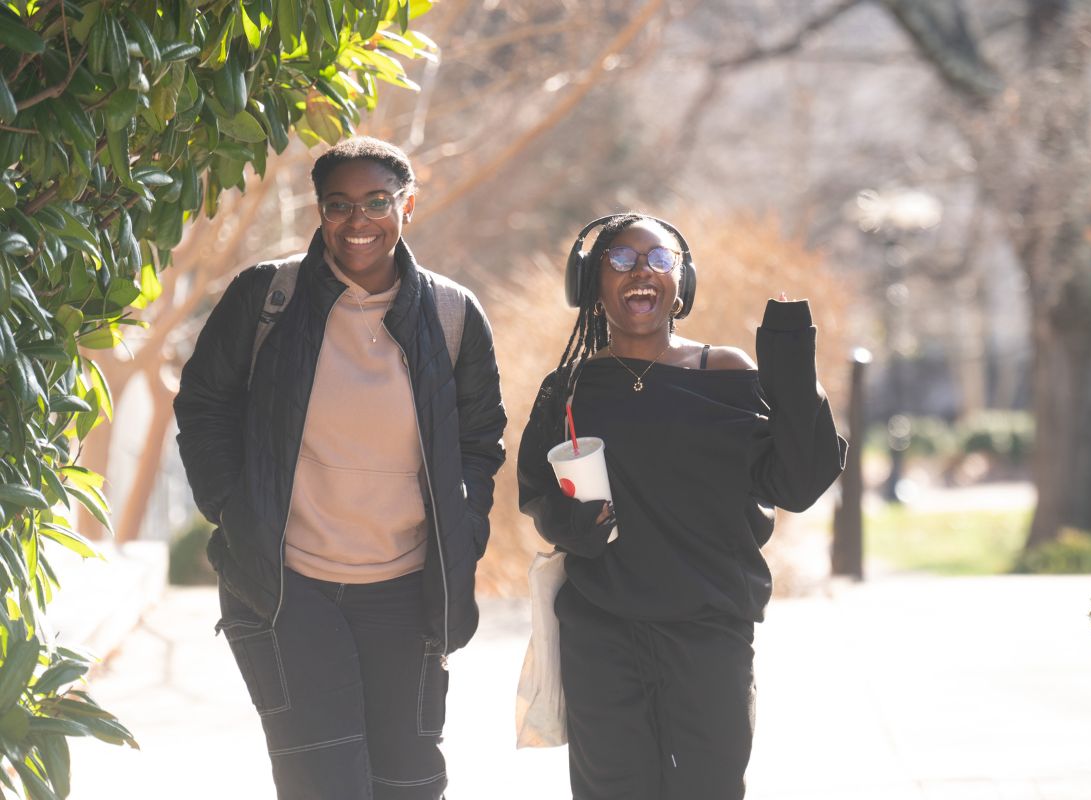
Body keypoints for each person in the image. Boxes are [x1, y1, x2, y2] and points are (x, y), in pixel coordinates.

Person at [174, 136, 506, 800]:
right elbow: (204, 405)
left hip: (407, 595)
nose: (359, 221)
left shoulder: (451, 314)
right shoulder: (267, 298)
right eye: (339, 204)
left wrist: (463, 534)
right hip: (286, 588)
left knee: (409, 785)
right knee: (326, 785)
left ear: (407, 206)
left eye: (378, 201)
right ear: (319, 213)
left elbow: (480, 439)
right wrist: (234, 510)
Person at [517, 213, 846, 800]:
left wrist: (791, 362)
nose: (642, 271)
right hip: (601, 632)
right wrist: (575, 524)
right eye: (621, 259)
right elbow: (537, 495)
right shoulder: (568, 389)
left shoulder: (726, 374)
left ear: (682, 282)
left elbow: (798, 480)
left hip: (708, 630)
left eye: (659, 259)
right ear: (591, 282)